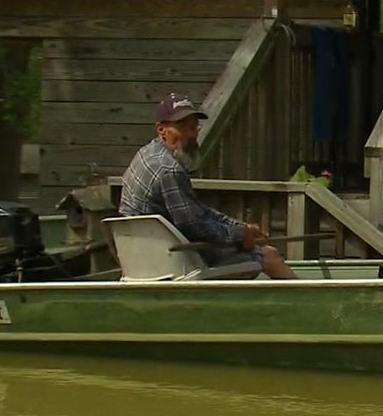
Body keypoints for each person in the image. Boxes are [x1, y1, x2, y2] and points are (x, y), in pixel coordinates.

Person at [118, 92, 297, 280]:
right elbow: (195, 226)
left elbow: (198, 212)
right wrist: (239, 235)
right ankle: (312, 305)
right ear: (161, 130)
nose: (190, 134)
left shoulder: (145, 156)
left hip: (146, 262)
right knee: (269, 256)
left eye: (194, 127)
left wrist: (240, 227)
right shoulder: (169, 170)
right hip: (177, 263)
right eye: (182, 127)